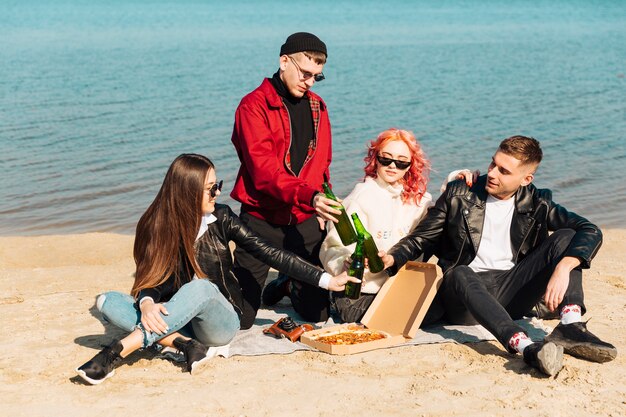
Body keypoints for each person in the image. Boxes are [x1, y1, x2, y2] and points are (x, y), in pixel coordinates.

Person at [75, 154, 357, 385]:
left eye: (217, 184)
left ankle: (116, 351)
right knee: (107, 301)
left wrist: (326, 280)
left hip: (222, 320)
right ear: (187, 192)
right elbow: (152, 275)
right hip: (180, 316)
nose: (218, 192)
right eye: (211, 188)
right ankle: (186, 346)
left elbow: (270, 253)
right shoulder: (156, 226)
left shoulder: (221, 217)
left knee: (201, 287)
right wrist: (147, 302)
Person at [380, 135, 617, 377]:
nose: (492, 173)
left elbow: (590, 230)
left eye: (504, 171)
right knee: (460, 272)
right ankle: (525, 347)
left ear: (526, 179)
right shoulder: (460, 194)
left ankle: (570, 326)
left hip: (511, 292)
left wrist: (564, 267)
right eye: (493, 164)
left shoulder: (538, 202)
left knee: (566, 237)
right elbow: (422, 238)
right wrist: (391, 258)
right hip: (464, 298)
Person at [230, 32, 340, 328]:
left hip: (305, 218)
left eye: (317, 76)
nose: (310, 82)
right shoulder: (252, 106)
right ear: (283, 61)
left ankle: (289, 284)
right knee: (241, 318)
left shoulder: (318, 106)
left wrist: (323, 204)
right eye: (306, 73)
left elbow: (322, 163)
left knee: (318, 314)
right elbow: (264, 172)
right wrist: (311, 197)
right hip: (261, 220)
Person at [318, 128, 473, 323]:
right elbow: (331, 247)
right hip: (363, 291)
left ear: (410, 165)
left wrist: (454, 183)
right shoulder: (361, 196)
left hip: (399, 287)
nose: (392, 166)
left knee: (437, 312)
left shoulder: (417, 198)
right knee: (360, 316)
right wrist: (345, 262)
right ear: (375, 158)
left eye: (401, 162)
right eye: (386, 159)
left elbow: (437, 219)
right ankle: (294, 285)